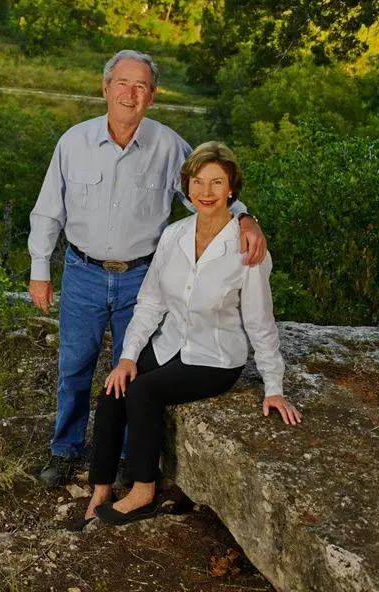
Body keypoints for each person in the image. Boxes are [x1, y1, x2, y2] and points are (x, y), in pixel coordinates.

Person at [29, 50, 267, 487]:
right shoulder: (73, 143)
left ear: (152, 96)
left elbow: (208, 190)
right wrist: (40, 267)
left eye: (140, 86)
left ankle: (125, 458)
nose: (130, 93)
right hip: (82, 273)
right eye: (122, 83)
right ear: (105, 87)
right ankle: (65, 450)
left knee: (135, 368)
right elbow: (48, 211)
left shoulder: (170, 146)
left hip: (142, 278)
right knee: (74, 367)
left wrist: (246, 218)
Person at [85, 141, 301, 527]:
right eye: (197, 182)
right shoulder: (174, 235)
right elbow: (151, 303)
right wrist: (129, 356)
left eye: (216, 182)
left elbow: (260, 321)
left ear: (232, 189)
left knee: (143, 392)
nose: (206, 192)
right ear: (186, 188)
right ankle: (100, 487)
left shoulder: (248, 249)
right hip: (169, 343)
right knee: (116, 385)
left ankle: (143, 491)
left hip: (214, 357)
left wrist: (274, 386)